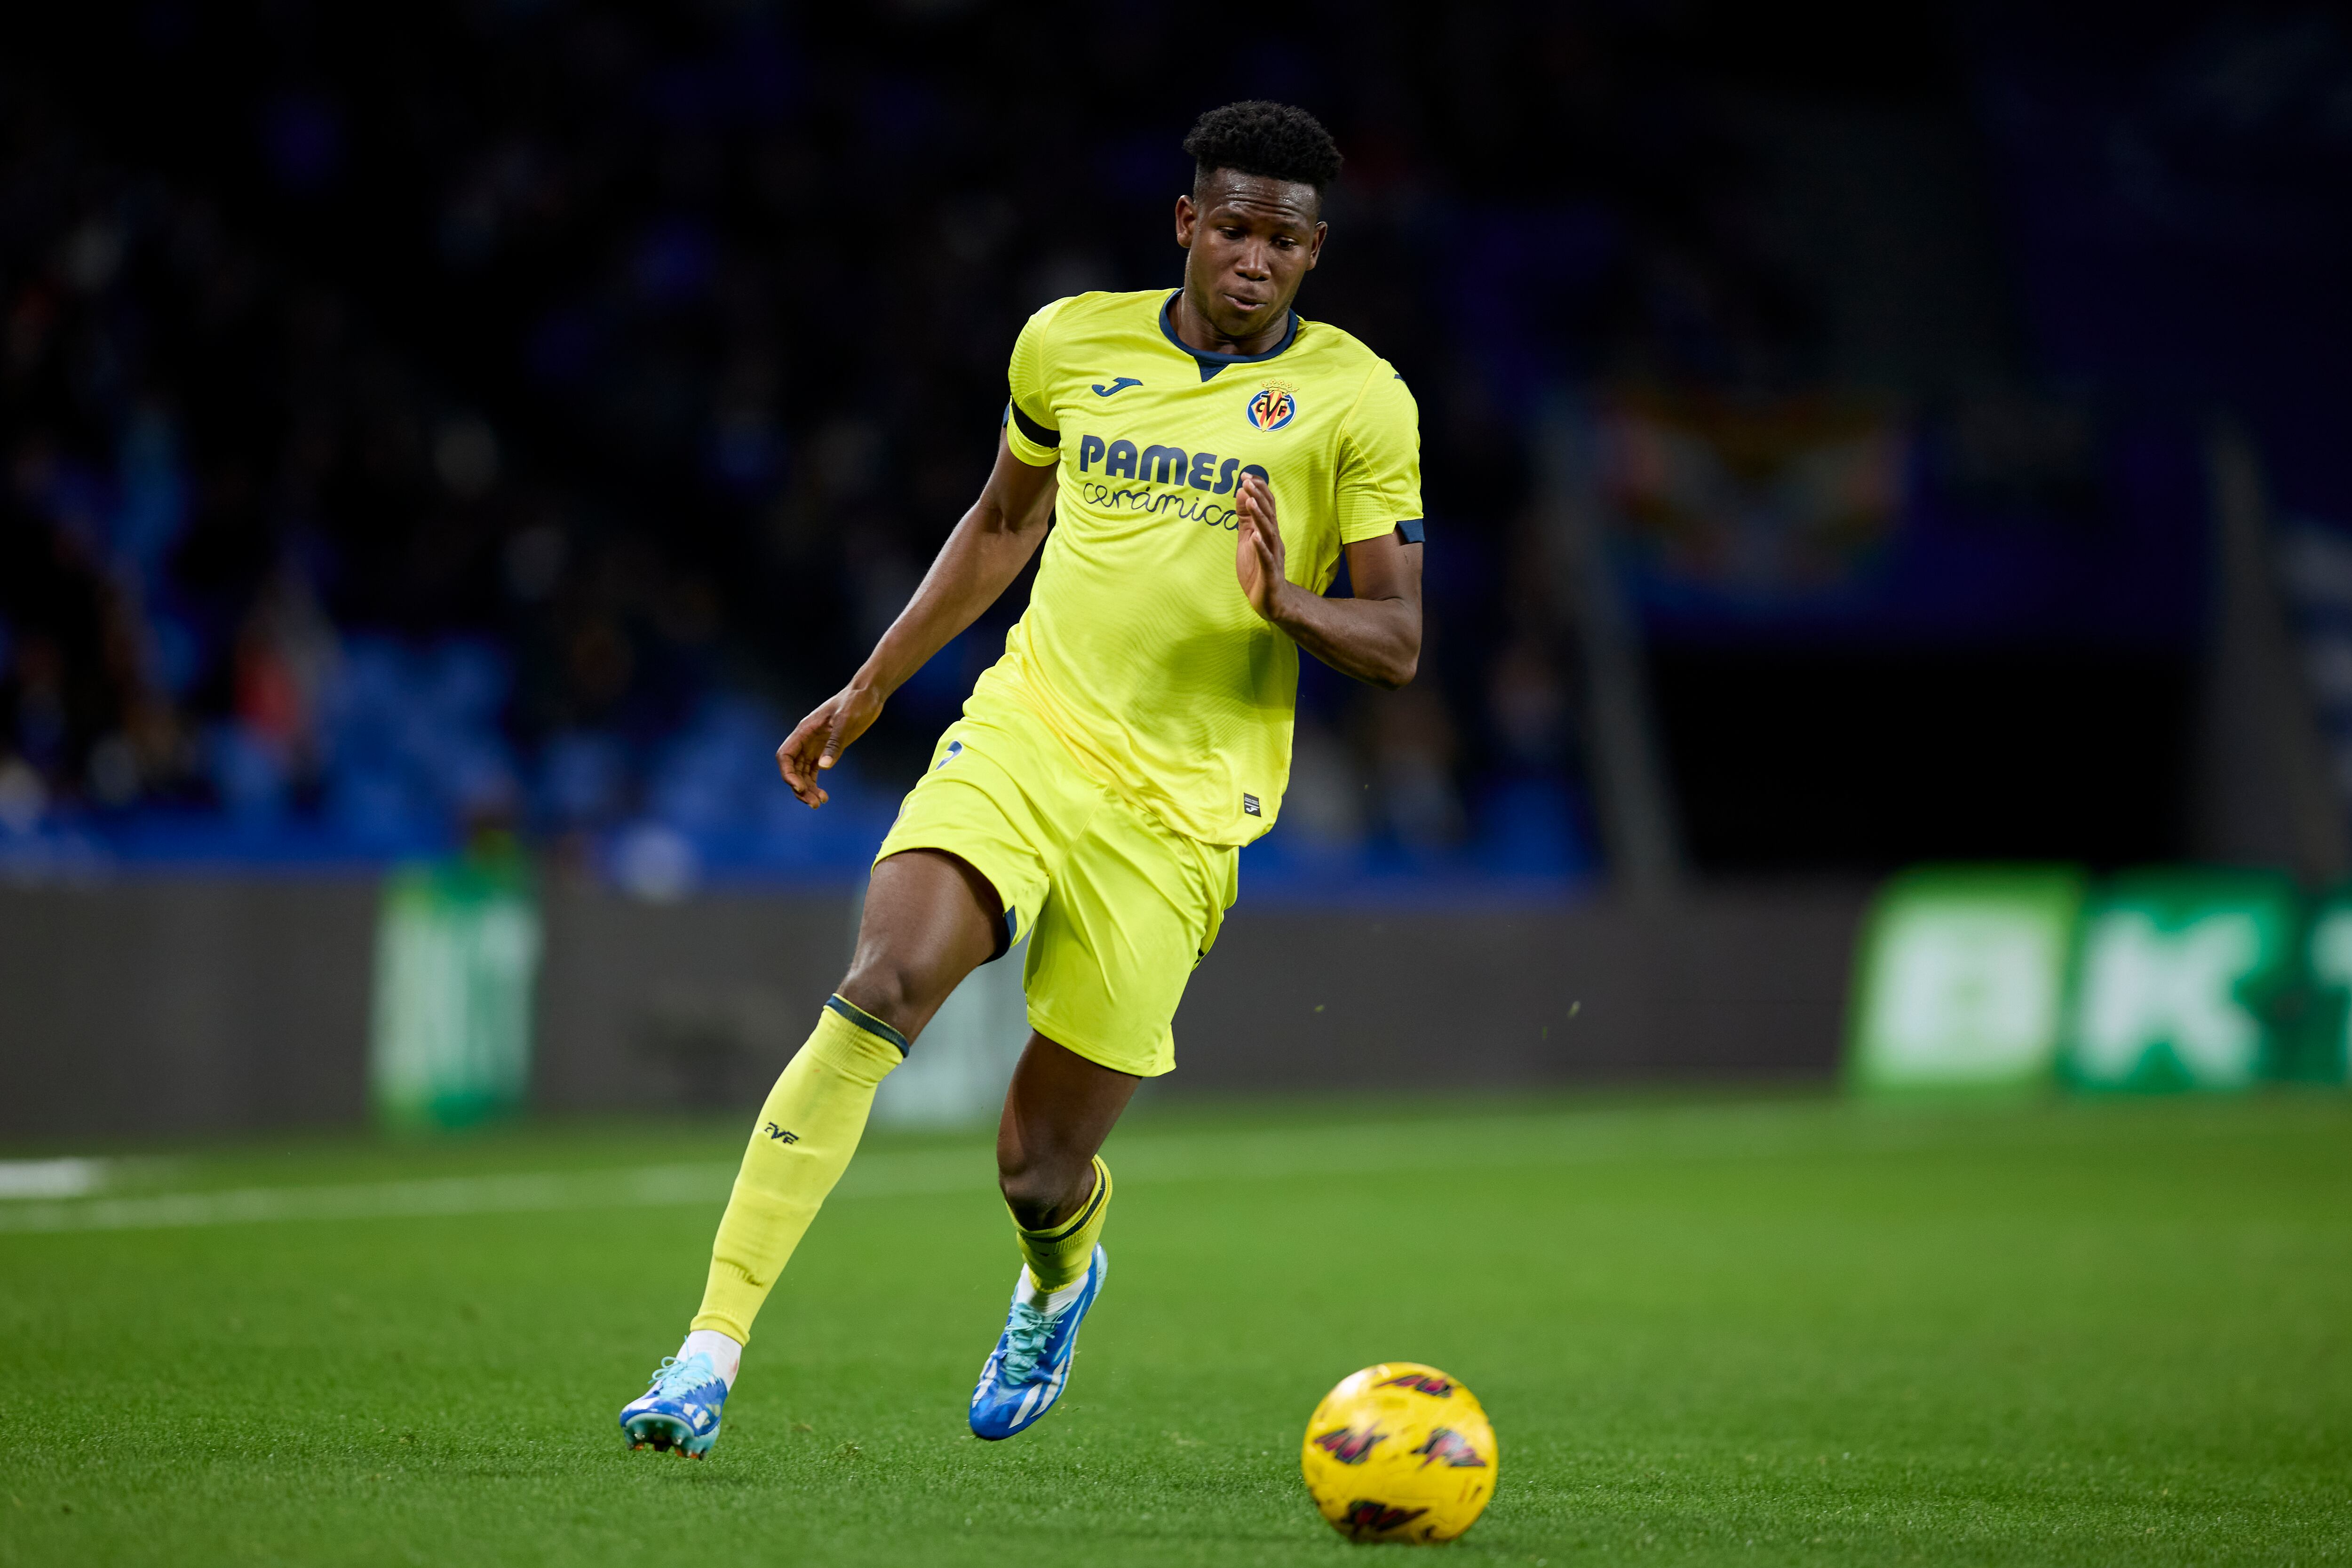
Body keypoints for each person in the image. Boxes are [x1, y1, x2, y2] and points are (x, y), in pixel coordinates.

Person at [619, 98, 1424, 1456]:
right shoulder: (1071, 342)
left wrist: (1286, 601)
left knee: (1038, 1168)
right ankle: (706, 1351)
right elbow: (1002, 524)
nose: (1251, 259)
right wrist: (872, 685)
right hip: (1028, 735)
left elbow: (1397, 641)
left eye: (1281, 242)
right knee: (883, 985)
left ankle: (1060, 1278)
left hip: (1181, 814)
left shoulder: (1358, 401)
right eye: (1230, 227)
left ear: (1314, 252)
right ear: (1187, 224)